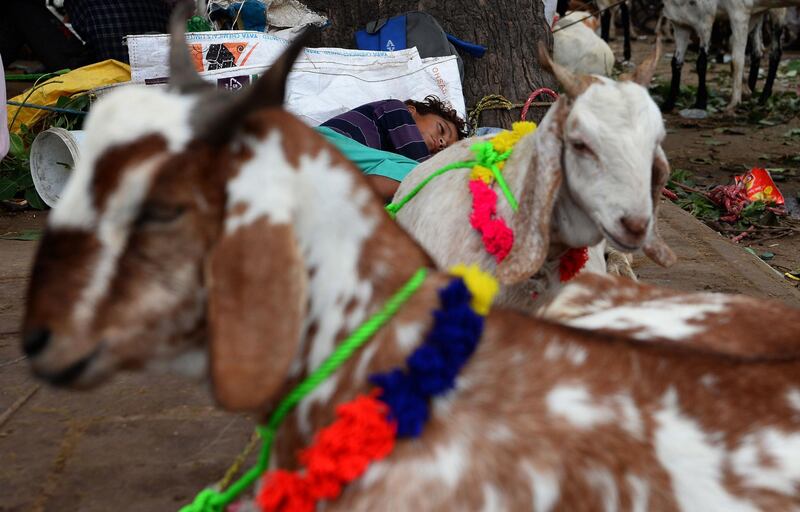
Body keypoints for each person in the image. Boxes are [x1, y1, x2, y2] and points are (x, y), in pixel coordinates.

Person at [317, 95, 467, 201]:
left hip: (335, 176)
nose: (441, 142)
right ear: (411, 110)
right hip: (325, 145)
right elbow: (423, 170)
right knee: (421, 176)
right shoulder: (395, 109)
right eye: (441, 129)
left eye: (445, 149)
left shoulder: (389, 166)